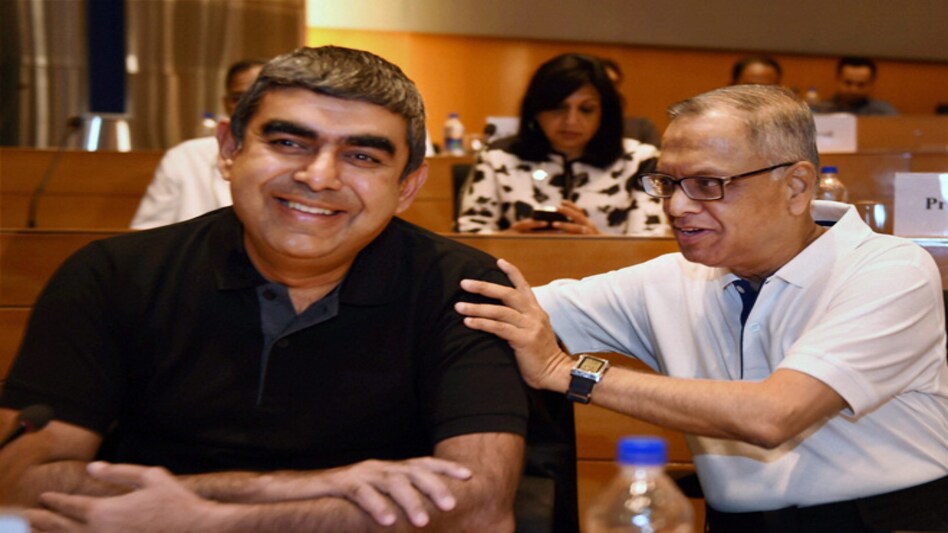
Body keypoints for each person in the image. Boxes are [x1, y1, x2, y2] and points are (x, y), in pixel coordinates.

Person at [0, 45, 530, 531]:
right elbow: (18, 480)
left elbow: (480, 510)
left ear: (408, 186)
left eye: (362, 157)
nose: (318, 177)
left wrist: (208, 522)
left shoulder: (465, 288)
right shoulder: (111, 274)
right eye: (288, 143)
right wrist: (280, 488)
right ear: (229, 149)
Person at [457, 85, 948, 532]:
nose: (676, 208)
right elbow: (500, 309)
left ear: (797, 187)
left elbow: (774, 414)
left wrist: (568, 372)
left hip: (883, 521)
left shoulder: (889, 270)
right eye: (667, 183)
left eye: (708, 184)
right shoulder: (673, 278)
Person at [456, 53, 666, 236]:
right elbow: (469, 237)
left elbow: (649, 246)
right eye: (558, 108)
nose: (571, 121)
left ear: (605, 113)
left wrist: (597, 242)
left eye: (586, 109)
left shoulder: (640, 161)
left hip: (613, 271)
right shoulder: (497, 157)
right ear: (536, 110)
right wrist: (508, 240)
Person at [129, 59, 266, 229]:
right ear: (226, 104)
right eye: (239, 98)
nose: (249, 106)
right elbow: (148, 233)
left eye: (259, 97)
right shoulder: (183, 157)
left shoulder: (294, 163)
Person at [599, 57, 662, 147]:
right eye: (604, 83)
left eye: (614, 84)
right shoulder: (581, 128)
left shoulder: (641, 127)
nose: (610, 90)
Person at [811, 56, 899, 115]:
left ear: (871, 84)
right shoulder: (820, 111)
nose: (854, 89)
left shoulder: (883, 112)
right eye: (848, 83)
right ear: (838, 80)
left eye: (861, 84)